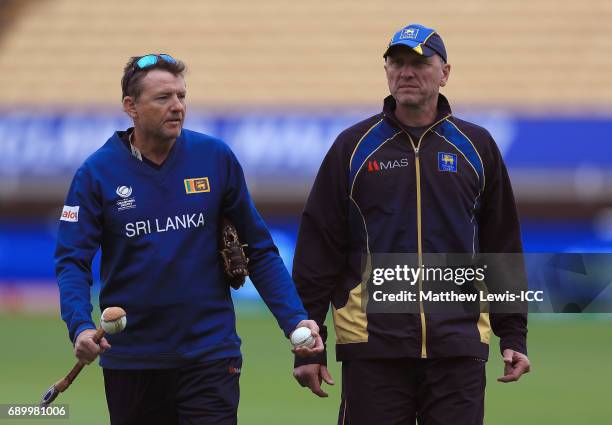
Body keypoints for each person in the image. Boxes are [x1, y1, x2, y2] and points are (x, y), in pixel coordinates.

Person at [55, 53, 322, 425]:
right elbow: (72, 260)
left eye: (181, 96)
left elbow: (258, 250)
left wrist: (296, 320)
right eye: (163, 98)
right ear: (130, 107)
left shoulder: (214, 158)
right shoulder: (96, 173)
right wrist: (80, 325)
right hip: (133, 360)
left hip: (211, 355)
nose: (177, 106)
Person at [292, 24, 531, 425]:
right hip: (372, 348)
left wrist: (514, 334)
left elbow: (501, 245)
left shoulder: (477, 147)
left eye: (419, 63)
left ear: (445, 73)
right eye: (397, 62)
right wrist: (309, 347)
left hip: (458, 346)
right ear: (386, 71)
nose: (406, 72)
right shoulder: (352, 147)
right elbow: (319, 250)